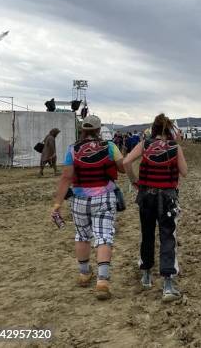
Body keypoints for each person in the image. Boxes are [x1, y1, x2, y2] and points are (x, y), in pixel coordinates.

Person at [50, 115, 125, 300]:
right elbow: (122, 168)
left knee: (82, 235)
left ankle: (84, 274)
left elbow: (66, 177)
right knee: (103, 235)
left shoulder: (72, 149)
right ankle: (102, 281)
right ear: (99, 130)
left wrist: (57, 203)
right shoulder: (109, 147)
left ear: (82, 130)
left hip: (79, 199)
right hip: (104, 197)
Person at [124, 113, 188, 302]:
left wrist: (134, 180)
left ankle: (146, 276)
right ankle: (168, 285)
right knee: (168, 237)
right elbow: (184, 172)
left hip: (146, 195)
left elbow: (127, 161)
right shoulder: (174, 147)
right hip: (167, 197)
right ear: (169, 130)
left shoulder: (145, 144)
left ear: (153, 129)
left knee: (147, 234)